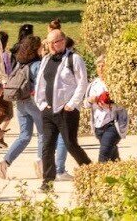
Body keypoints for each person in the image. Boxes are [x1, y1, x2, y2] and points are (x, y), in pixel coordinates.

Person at [35, 28, 93, 191]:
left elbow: (82, 83)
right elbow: (41, 83)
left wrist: (72, 104)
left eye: (54, 42)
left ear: (63, 41)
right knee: (47, 146)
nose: (51, 46)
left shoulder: (74, 59)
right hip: (48, 110)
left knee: (70, 144)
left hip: (66, 110)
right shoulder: (46, 59)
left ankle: (90, 170)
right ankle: (47, 181)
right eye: (48, 43)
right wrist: (40, 103)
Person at [0, 34, 43, 179]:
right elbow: (40, 86)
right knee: (43, 134)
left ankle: (5, 161)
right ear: (36, 49)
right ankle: (40, 162)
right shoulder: (37, 65)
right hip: (33, 102)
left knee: (24, 135)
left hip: (20, 102)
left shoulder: (20, 62)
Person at [85, 62, 128, 162]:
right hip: (98, 125)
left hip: (113, 124)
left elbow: (125, 103)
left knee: (103, 156)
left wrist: (110, 105)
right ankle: (121, 174)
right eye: (99, 66)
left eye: (103, 66)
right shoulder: (92, 85)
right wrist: (90, 100)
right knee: (113, 157)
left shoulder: (116, 83)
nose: (101, 68)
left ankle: (100, 176)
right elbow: (86, 104)